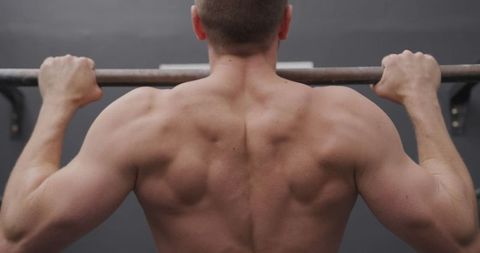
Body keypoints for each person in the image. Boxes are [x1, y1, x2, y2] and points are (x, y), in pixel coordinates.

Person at [0, 0, 479, 252]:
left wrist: (58, 103)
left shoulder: (142, 120)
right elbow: (459, 238)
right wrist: (420, 98)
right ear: (285, 22)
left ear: (198, 25)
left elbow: (19, 237)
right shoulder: (347, 120)